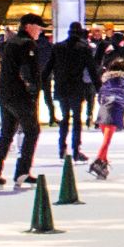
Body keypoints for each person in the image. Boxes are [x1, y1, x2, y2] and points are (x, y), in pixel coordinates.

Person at [0, 12, 47, 190]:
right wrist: (33, 89)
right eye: (38, 27)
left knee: (6, 133)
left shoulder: (10, 43)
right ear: (29, 26)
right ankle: (22, 171)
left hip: (5, 93)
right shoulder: (27, 44)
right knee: (32, 131)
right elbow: (27, 70)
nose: (40, 31)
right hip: (20, 95)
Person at [52, 21, 99, 158]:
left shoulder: (58, 47)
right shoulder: (83, 48)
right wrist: (99, 87)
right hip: (76, 87)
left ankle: (62, 148)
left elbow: (49, 66)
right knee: (77, 118)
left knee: (64, 117)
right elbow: (91, 69)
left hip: (61, 87)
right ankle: (76, 150)